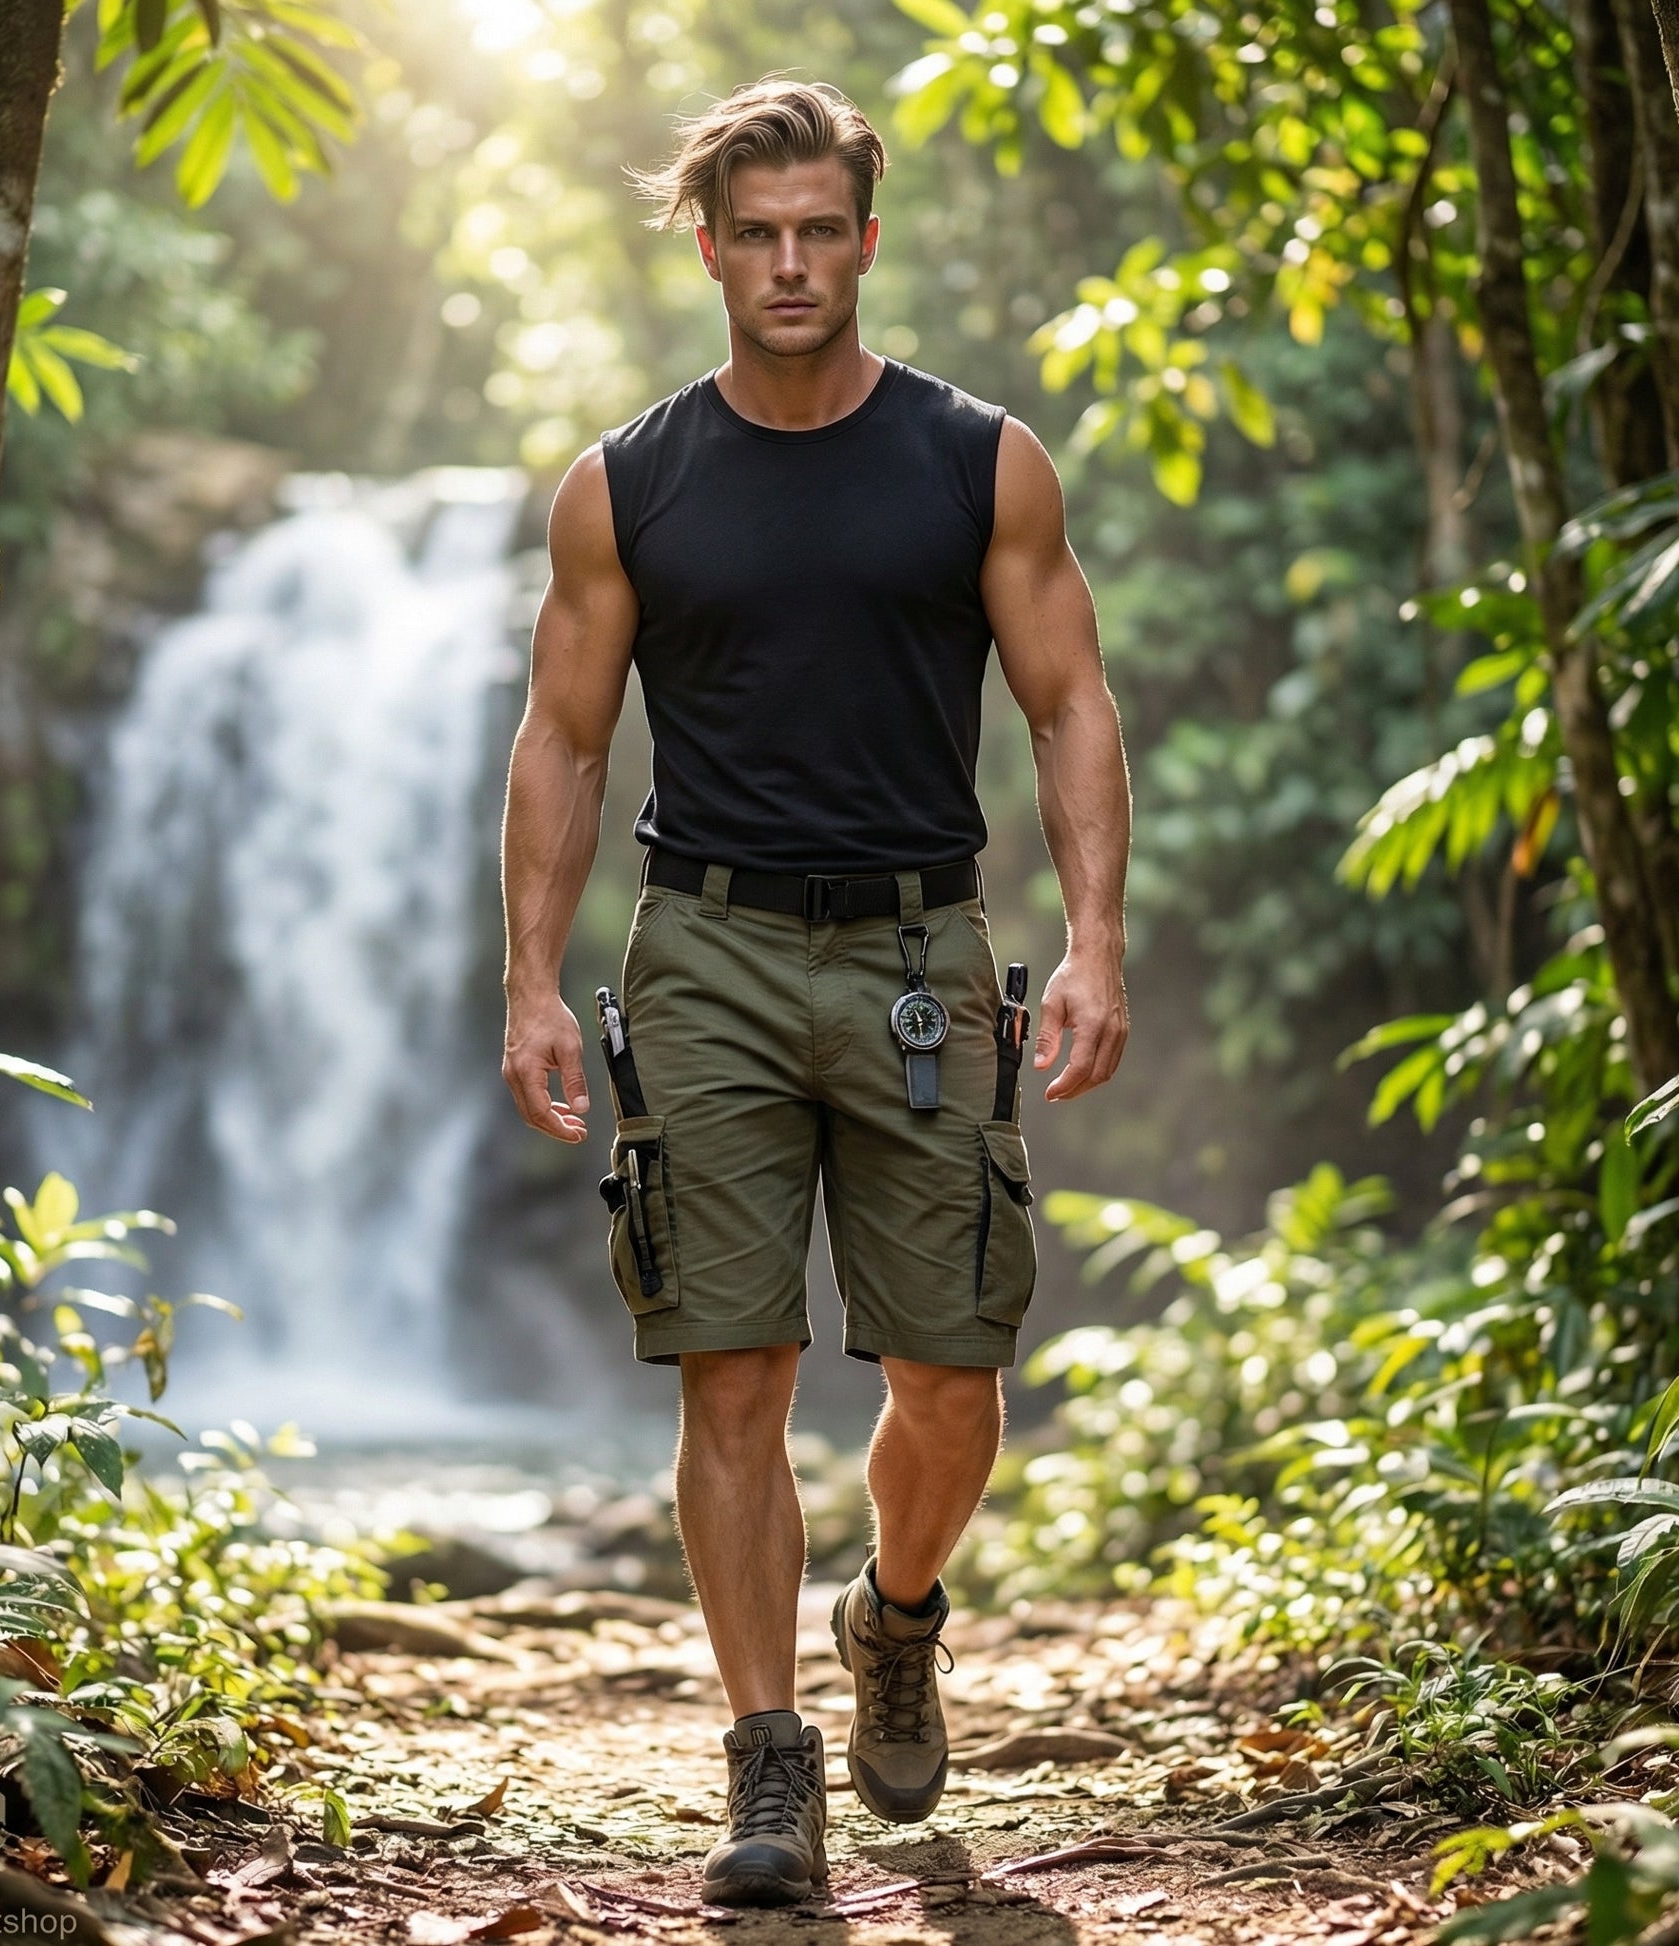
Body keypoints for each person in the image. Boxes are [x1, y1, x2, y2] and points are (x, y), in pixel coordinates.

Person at [499, 78, 1131, 1910]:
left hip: (925, 953)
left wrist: (1094, 940)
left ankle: (898, 1610)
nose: (789, 262)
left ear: (865, 236)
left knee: (949, 1366)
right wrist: (531, 980)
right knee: (733, 1368)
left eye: (819, 230)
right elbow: (559, 733)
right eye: (753, 233)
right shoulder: (624, 484)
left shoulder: (975, 460)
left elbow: (1069, 700)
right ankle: (767, 1762)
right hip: (697, 950)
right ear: (704, 246)